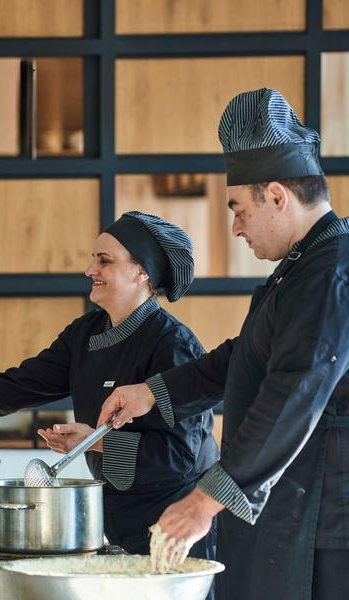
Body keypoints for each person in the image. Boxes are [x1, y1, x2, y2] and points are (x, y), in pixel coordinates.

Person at [97, 88, 349, 600]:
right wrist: (153, 392)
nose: (235, 227)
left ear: (277, 196)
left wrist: (205, 500)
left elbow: (292, 392)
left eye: (238, 209)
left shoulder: (331, 274)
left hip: (318, 525)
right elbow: (244, 358)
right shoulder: (301, 269)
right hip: (288, 517)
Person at [0, 212, 219, 563]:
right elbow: (22, 385)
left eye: (104, 261)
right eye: (93, 258)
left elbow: (181, 456)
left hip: (176, 525)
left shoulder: (173, 346)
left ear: (142, 272)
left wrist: (94, 440)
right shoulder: (85, 334)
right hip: (116, 518)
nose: (90, 270)